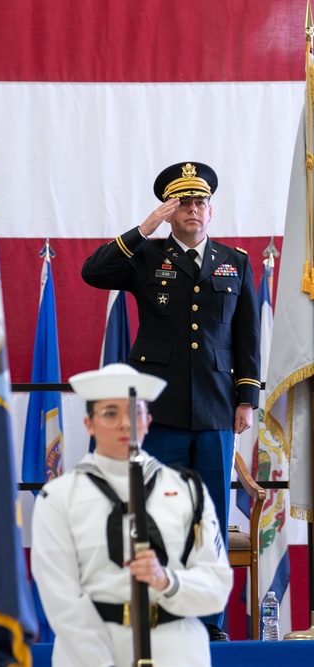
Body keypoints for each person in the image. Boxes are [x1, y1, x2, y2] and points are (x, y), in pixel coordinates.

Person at [81, 162, 258, 638]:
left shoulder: (234, 261)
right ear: (170, 209)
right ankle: (160, 615)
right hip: (157, 410)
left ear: (210, 209)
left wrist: (246, 399)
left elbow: (246, 338)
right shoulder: (146, 255)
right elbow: (92, 272)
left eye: (200, 202)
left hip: (218, 409)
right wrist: (145, 228)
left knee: (214, 516)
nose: (193, 210)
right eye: (183, 203)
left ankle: (209, 621)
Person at [31, 363, 232, 666]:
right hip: (92, 655)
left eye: (135, 413)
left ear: (148, 420)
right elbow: (62, 603)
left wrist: (167, 581)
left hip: (178, 650)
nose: (126, 424)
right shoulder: (58, 498)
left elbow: (216, 589)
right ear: (88, 423)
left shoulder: (189, 492)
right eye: (110, 413)